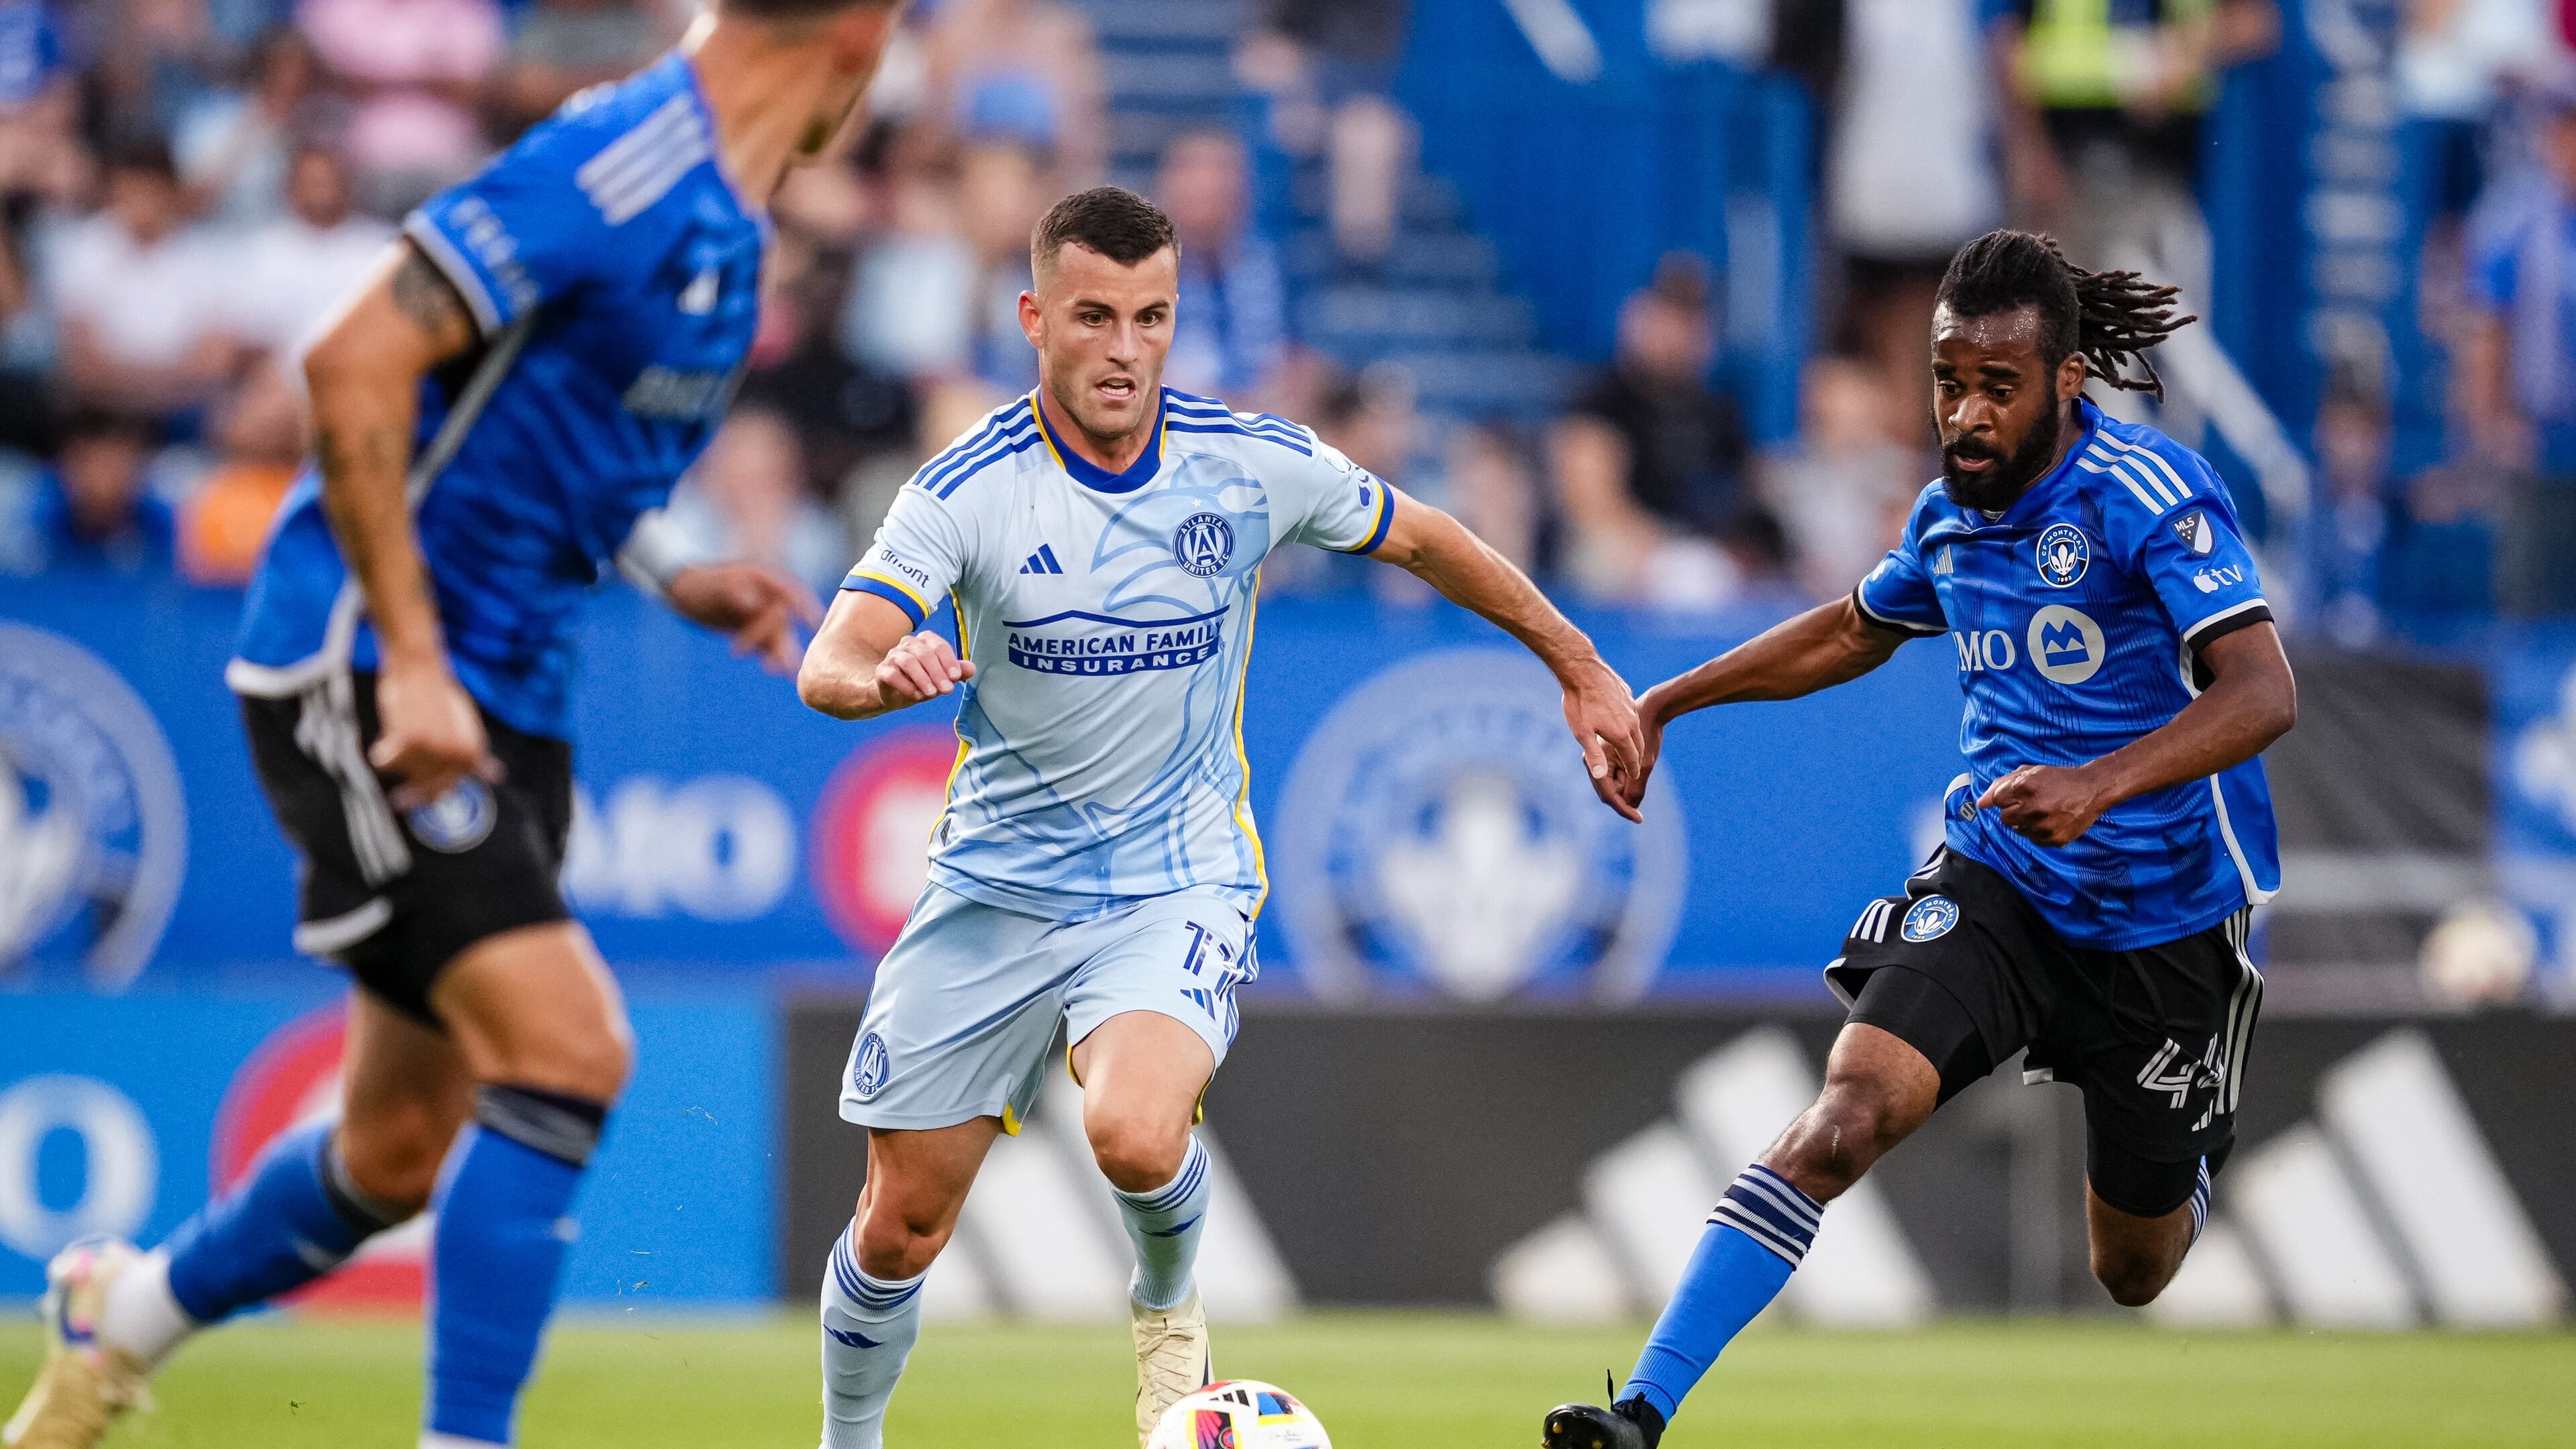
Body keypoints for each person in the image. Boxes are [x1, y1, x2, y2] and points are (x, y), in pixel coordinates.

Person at [3, 1, 904, 1446]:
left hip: (510, 691)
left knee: (396, 1148)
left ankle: (131, 1315)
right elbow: (354, 363)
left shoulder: (730, 232)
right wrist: (414, 667)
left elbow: (545, 440)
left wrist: (676, 572)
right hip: (368, 664)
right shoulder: (621, 165)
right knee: (570, 1052)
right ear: (857, 34)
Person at [795, 186, 1645, 1449]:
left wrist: (1574, 661)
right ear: (1035, 318)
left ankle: (1168, 1304)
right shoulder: (967, 491)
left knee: (1135, 1132)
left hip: (1174, 876)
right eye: (1094, 316)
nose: (1126, 347)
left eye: (1152, 317)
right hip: (992, 887)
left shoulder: (1246, 464)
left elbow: (1421, 539)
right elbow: (830, 661)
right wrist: (885, 677)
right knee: (899, 1224)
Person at [1540, 230, 2296, 1449]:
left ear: (2065, 384)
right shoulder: (1948, 516)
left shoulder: (2149, 496)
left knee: (2134, 1267)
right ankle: (1640, 1412)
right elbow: (1849, 630)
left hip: (2163, 920)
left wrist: (2101, 783)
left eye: (1999, 388)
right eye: (1950, 383)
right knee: (1848, 1112)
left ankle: (2188, 1137)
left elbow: (2265, 692)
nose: (1966, 414)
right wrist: (1667, 700)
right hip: (2002, 877)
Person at [1550, 254, 1748, 600]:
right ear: (1638, 317)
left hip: (1696, 549)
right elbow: (1588, 499)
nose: (1677, 334)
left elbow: (1746, 489)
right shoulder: (1602, 397)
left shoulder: (1718, 408)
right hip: (1620, 541)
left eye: (1690, 321)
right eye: (1668, 317)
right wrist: (1654, 551)